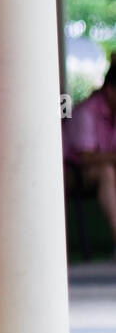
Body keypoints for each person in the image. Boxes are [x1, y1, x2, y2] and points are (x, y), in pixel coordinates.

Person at [65, 60, 116, 251]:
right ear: (110, 90)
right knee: (106, 172)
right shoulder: (86, 112)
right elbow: (85, 158)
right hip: (69, 173)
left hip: (99, 169)